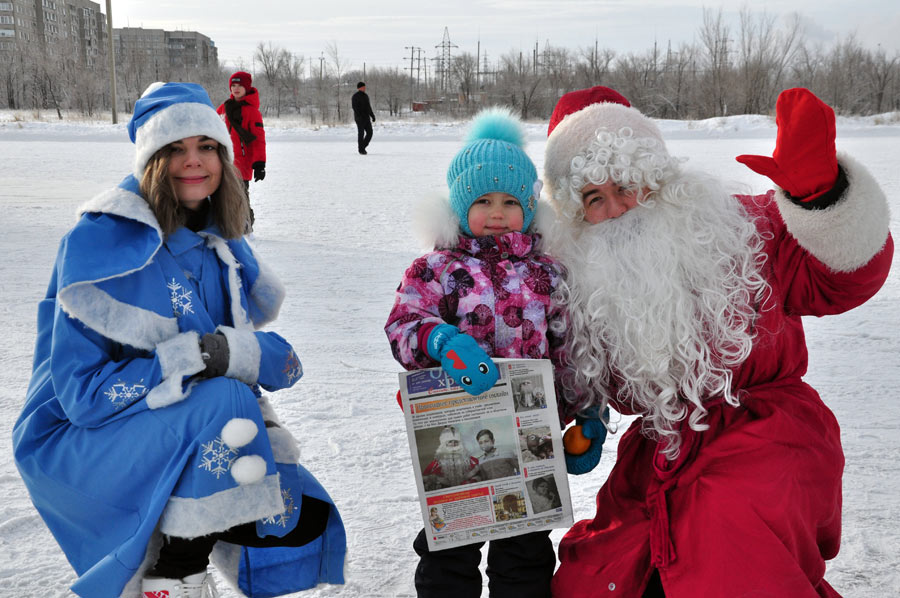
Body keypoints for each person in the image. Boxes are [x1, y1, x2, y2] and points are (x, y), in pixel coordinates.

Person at [540, 85, 893, 597]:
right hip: (659, 455)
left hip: (770, 435)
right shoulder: (584, 280)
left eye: (627, 184)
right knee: (590, 580)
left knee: (723, 542)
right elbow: (554, 367)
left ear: (655, 177)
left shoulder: (742, 226)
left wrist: (822, 197)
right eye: (594, 198)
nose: (616, 208)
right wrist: (453, 392)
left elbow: (844, 279)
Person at [12, 82, 346, 598]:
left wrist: (230, 354)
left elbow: (276, 365)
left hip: (172, 420)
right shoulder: (97, 244)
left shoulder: (221, 246)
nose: (194, 162)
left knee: (249, 427)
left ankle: (187, 566)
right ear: (150, 159)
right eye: (175, 149)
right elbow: (82, 395)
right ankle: (175, 571)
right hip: (78, 436)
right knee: (228, 402)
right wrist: (192, 358)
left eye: (207, 147)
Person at [385, 107, 584, 597]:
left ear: (529, 208)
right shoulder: (436, 269)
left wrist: (584, 411)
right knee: (450, 543)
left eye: (510, 201)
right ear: (459, 206)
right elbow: (404, 324)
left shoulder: (548, 274)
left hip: (531, 431)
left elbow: (570, 348)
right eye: (483, 200)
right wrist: (442, 341)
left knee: (526, 550)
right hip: (455, 429)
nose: (497, 212)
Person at [216, 70, 266, 227]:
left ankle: (246, 225)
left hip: (242, 161)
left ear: (247, 88)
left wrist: (259, 164)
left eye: (240, 85)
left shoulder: (252, 112)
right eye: (233, 85)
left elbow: (259, 140)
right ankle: (227, 224)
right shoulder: (224, 107)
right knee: (224, 194)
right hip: (224, 160)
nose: (236, 89)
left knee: (240, 194)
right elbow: (212, 126)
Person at [422, 425, 480, 491]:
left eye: (456, 442)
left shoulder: (471, 461)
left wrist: (471, 482)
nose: (453, 444)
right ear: (444, 444)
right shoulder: (435, 465)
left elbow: (478, 476)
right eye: (450, 442)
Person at [352, 81, 375, 155]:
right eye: (363, 87)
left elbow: (369, 107)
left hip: (367, 118)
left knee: (370, 133)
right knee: (361, 134)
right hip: (359, 119)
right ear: (359, 88)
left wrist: (372, 115)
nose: (365, 88)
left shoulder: (366, 96)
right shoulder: (355, 96)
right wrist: (360, 115)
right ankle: (361, 149)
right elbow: (355, 107)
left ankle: (363, 147)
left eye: (365, 87)